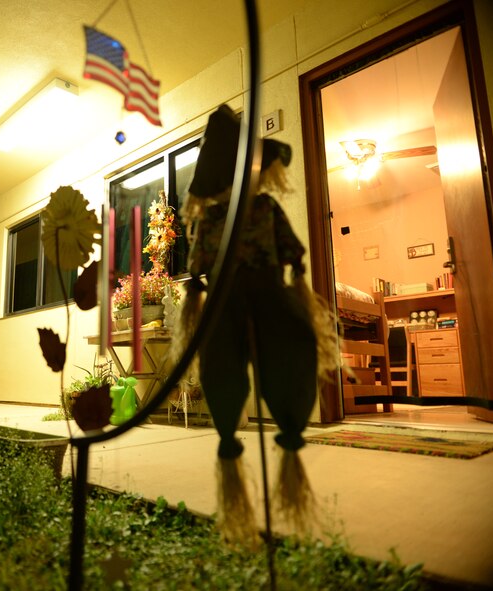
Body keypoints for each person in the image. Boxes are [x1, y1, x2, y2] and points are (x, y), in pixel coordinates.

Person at [172, 104, 339, 546]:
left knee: (288, 358)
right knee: (222, 373)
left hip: (266, 298)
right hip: (227, 307)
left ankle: (287, 437)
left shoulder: (264, 209)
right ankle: (231, 438)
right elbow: (198, 272)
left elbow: (292, 254)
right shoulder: (209, 220)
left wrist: (297, 284)